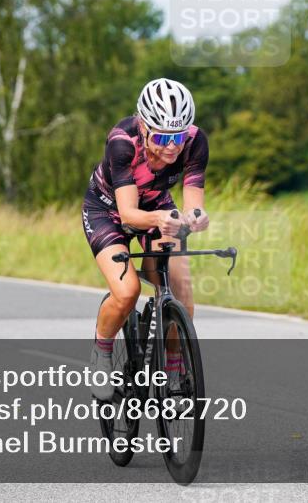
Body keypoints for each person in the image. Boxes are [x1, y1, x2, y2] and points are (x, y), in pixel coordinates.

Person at [82, 78, 210, 400]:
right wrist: (163, 220)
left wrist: (196, 219)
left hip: (156, 206)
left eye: (179, 136)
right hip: (108, 210)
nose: (173, 146)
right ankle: (102, 352)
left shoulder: (195, 142)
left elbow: (193, 205)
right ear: (143, 125)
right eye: (164, 136)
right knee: (128, 291)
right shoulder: (122, 142)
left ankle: (173, 372)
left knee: (179, 288)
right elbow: (128, 214)